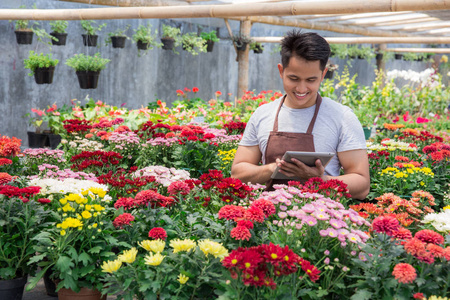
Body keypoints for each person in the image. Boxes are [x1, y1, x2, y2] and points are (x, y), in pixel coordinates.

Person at [231, 30, 370, 200]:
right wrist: (273, 169)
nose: (301, 89)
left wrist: (319, 180)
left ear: (323, 74)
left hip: (320, 222)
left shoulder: (342, 117)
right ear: (281, 71)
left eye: (311, 80)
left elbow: (362, 185)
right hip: (267, 220)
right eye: (294, 78)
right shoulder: (263, 114)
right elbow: (237, 173)